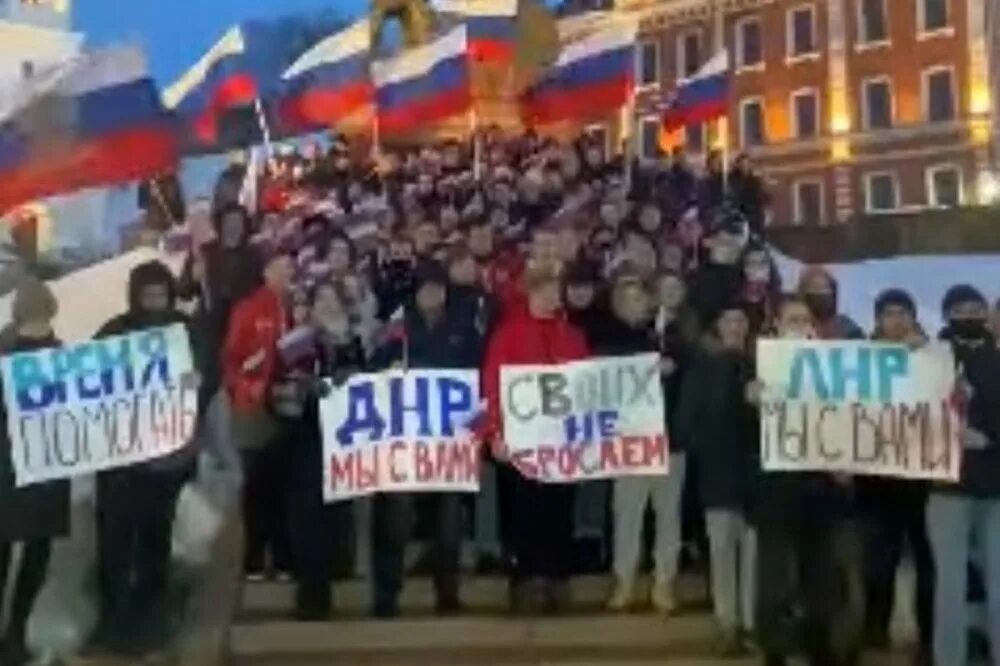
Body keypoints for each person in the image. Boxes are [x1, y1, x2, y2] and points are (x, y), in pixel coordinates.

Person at [752, 295, 865, 666]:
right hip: (776, 493)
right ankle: (776, 651)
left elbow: (848, 422)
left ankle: (821, 647)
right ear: (777, 326)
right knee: (775, 583)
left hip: (823, 493)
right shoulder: (758, 367)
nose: (800, 326)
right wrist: (752, 397)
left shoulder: (836, 371)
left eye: (805, 320)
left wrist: (845, 463)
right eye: (792, 320)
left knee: (824, 580)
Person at [91, 261, 196, 655]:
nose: (154, 304)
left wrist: (195, 383)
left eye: (161, 297)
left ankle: (150, 618)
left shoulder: (186, 333)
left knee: (155, 544)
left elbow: (209, 376)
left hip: (165, 465)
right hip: (119, 466)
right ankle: (114, 620)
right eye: (147, 297)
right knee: (115, 545)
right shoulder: (113, 333)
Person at [370, 262, 481, 617]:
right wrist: (387, 373)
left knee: (449, 524)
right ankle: (386, 595)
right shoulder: (396, 329)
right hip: (404, 444)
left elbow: (478, 382)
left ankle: (447, 593)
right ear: (415, 293)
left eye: (438, 288)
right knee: (395, 520)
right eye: (425, 289)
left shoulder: (464, 330)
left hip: (449, 446)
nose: (432, 295)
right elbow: (373, 371)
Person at [481, 263, 589, 613]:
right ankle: (526, 582)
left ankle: (557, 580)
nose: (550, 297)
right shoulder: (507, 334)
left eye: (554, 291)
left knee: (559, 509)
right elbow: (493, 387)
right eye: (544, 291)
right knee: (525, 512)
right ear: (530, 293)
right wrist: (493, 432)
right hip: (522, 441)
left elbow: (586, 386)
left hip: (561, 444)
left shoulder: (573, 336)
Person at [853, 289, 933, 663]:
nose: (897, 320)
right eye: (889, 314)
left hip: (921, 482)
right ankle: (874, 631)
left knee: (925, 562)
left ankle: (928, 637)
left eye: (903, 313)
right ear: (878, 320)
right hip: (875, 482)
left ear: (913, 318)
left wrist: (925, 357)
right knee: (878, 562)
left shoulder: (933, 359)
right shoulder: (858, 361)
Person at [601, 270, 686, 615]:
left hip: (668, 437)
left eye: (639, 297)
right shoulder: (608, 339)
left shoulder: (669, 336)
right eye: (626, 299)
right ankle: (624, 579)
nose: (634, 304)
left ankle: (664, 582)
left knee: (668, 514)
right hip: (629, 440)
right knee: (627, 513)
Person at [676, 302, 758, 655]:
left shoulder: (763, 366)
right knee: (723, 556)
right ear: (718, 327)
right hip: (717, 475)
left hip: (757, 479)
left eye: (742, 320)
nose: (736, 326)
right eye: (730, 320)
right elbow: (685, 422)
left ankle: (751, 625)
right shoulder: (703, 368)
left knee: (753, 558)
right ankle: (728, 625)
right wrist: (706, 448)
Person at [283, 283, 366, 620]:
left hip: (344, 441)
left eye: (334, 301)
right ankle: (311, 592)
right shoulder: (298, 341)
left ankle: (333, 577)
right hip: (306, 437)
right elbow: (283, 384)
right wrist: (307, 388)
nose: (328, 307)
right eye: (322, 300)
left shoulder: (356, 343)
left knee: (336, 515)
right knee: (308, 516)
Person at [927, 285, 1000, 666]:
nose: (970, 314)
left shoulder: (995, 360)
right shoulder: (929, 358)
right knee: (949, 585)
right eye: (960, 308)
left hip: (994, 489)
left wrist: (987, 441)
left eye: (976, 307)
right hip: (947, 489)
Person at [0, 278, 69, 666]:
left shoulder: (60, 356)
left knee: (28, 552)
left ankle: (14, 635)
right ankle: (13, 636)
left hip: (39, 470)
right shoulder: (45, 356)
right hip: (18, 469)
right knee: (19, 553)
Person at [222, 253, 296, 580]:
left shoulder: (295, 307)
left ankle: (282, 557)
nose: (287, 274)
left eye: (290, 269)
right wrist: (243, 385)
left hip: (287, 402)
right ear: (266, 272)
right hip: (254, 404)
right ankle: (254, 557)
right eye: (281, 268)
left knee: (282, 484)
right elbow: (231, 358)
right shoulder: (249, 308)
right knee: (255, 485)